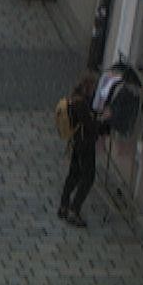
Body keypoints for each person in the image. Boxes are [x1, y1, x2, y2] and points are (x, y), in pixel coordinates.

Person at [58, 72, 108, 227]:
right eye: (94, 87)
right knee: (88, 177)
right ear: (89, 86)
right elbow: (91, 127)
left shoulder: (73, 99)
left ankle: (64, 206)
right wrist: (105, 123)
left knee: (73, 174)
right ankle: (74, 209)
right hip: (85, 144)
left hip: (75, 142)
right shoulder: (81, 104)